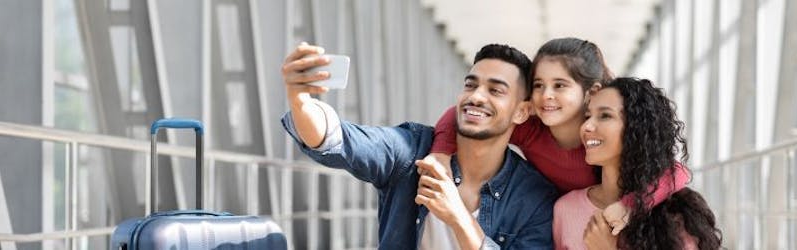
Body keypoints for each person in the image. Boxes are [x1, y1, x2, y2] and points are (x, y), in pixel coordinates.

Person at [280, 42, 557, 249]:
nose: (476, 97)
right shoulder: (413, 150)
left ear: (521, 112)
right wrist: (300, 101)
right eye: (470, 86)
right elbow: (340, 140)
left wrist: (458, 217)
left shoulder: (533, 198)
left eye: (495, 90)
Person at [429, 38, 690, 235]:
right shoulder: (528, 128)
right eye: (539, 85)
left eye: (560, 85)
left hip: (612, 222)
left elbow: (678, 172)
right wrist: (440, 155)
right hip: (557, 221)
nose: (546, 96)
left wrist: (629, 206)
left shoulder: (601, 142)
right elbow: (458, 113)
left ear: (592, 91)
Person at [558, 77, 722, 249]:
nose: (586, 127)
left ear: (636, 128)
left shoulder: (675, 214)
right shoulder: (565, 209)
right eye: (587, 116)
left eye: (605, 116)